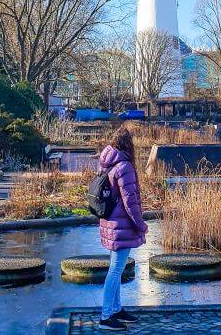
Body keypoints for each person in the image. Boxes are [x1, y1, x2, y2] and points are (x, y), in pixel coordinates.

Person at [97, 126, 147, 330]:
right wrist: (141, 225)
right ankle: (106, 316)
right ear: (129, 144)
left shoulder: (106, 163)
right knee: (115, 271)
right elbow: (130, 201)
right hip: (122, 225)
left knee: (116, 268)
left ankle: (116, 310)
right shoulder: (124, 166)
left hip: (109, 222)